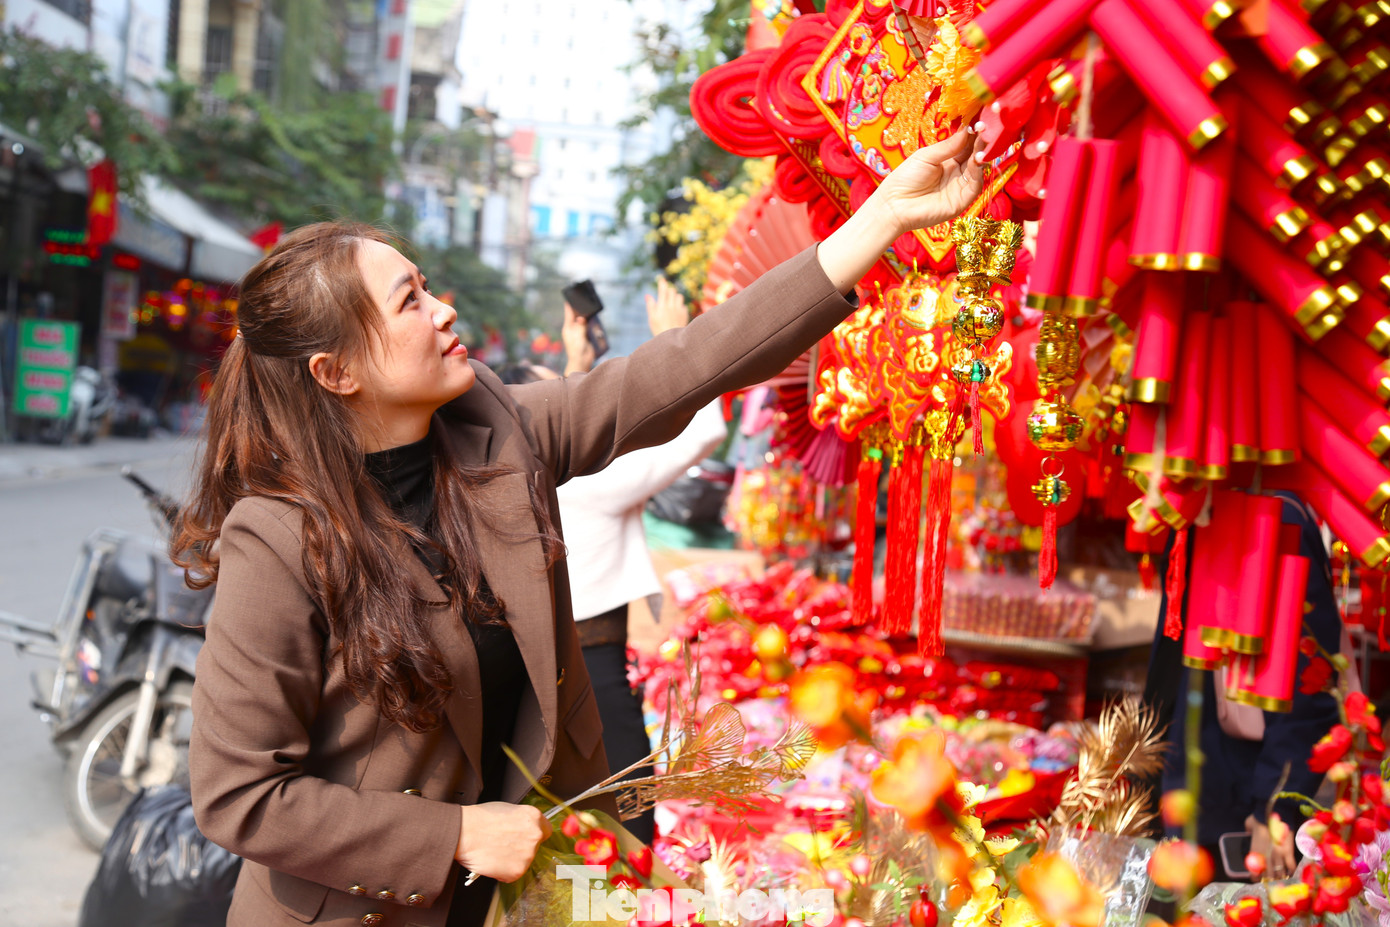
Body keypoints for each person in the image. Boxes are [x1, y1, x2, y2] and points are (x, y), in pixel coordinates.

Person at [176, 128, 987, 927]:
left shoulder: (495, 431)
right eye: (411, 301)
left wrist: (880, 219)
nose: (445, 308)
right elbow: (239, 794)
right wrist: (453, 832)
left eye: (426, 284)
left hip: (520, 891)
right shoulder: (278, 537)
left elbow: (681, 367)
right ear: (337, 372)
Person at [503, 278, 727, 845]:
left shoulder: (528, 474)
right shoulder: (585, 481)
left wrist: (576, 361)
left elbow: (562, 413)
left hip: (548, 658)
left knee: (571, 806)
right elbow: (705, 432)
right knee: (629, 802)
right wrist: (676, 339)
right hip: (591, 664)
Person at [1146, 491, 1344, 880]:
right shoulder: (1197, 508)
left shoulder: (1276, 515)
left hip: (1236, 809)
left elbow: (1311, 685)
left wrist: (1275, 807)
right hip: (1183, 792)